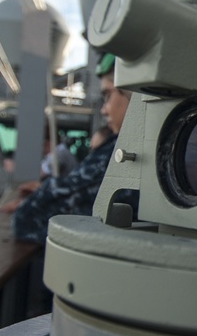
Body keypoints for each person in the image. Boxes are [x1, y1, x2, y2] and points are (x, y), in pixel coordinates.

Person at [10, 53, 135, 244]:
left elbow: (27, 218)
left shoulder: (122, 153)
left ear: (134, 95)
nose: (104, 110)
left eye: (108, 95)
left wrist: (45, 192)